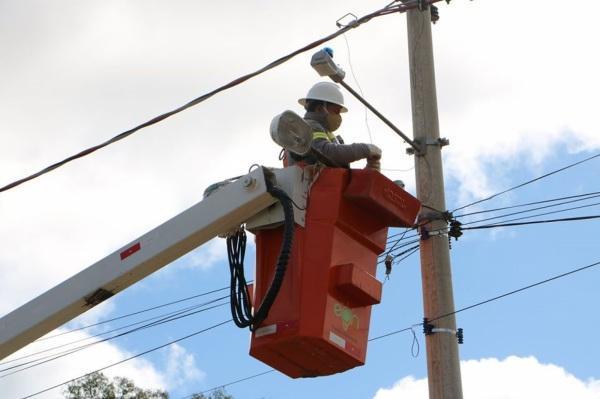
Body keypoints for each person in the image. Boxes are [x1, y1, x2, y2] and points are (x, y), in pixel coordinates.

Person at [287, 81, 382, 170]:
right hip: (312, 185)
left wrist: (368, 171)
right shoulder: (309, 126)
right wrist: (364, 149)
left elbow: (338, 169)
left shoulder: (328, 134)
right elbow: (326, 152)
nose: (339, 116)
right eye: (336, 111)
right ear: (320, 108)